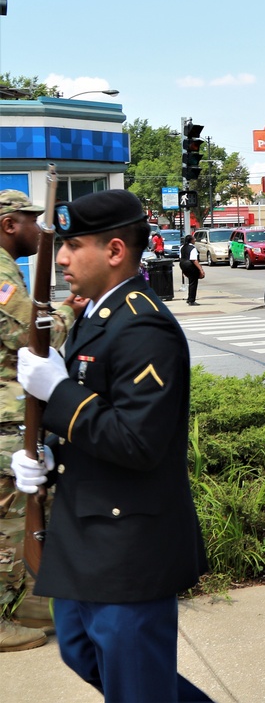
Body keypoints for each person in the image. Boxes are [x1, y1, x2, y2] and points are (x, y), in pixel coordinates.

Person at [13, 190, 209, 701]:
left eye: (73, 245)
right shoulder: (101, 316)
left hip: (128, 542)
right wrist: (50, 457)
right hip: (89, 534)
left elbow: (137, 441)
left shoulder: (143, 325)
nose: (59, 257)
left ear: (115, 251)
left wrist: (58, 392)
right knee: (81, 650)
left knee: (135, 685)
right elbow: (93, 423)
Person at [0, 190, 87, 652]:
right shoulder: (0, 273)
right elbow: (30, 336)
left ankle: (29, 604)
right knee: (13, 522)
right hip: (7, 419)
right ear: (10, 224)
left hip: (12, 415)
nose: (38, 228)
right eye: (32, 220)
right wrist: (68, 312)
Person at [178, 234, 204, 306]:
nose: (195, 240)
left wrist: (183, 270)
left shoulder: (182, 247)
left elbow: (181, 258)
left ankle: (189, 298)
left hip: (183, 264)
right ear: (191, 240)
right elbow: (194, 260)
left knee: (190, 282)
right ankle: (191, 300)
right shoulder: (192, 248)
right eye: (194, 239)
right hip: (190, 265)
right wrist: (201, 269)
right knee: (193, 283)